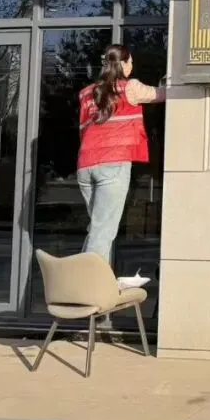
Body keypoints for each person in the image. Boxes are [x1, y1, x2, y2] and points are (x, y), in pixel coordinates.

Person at [77, 44, 165, 267]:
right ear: (123, 64)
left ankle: (89, 279)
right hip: (113, 165)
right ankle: (88, 282)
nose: (132, 66)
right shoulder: (130, 88)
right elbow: (162, 94)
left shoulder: (86, 93)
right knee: (103, 231)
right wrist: (167, 82)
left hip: (85, 165)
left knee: (98, 228)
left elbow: (83, 130)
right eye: (130, 62)